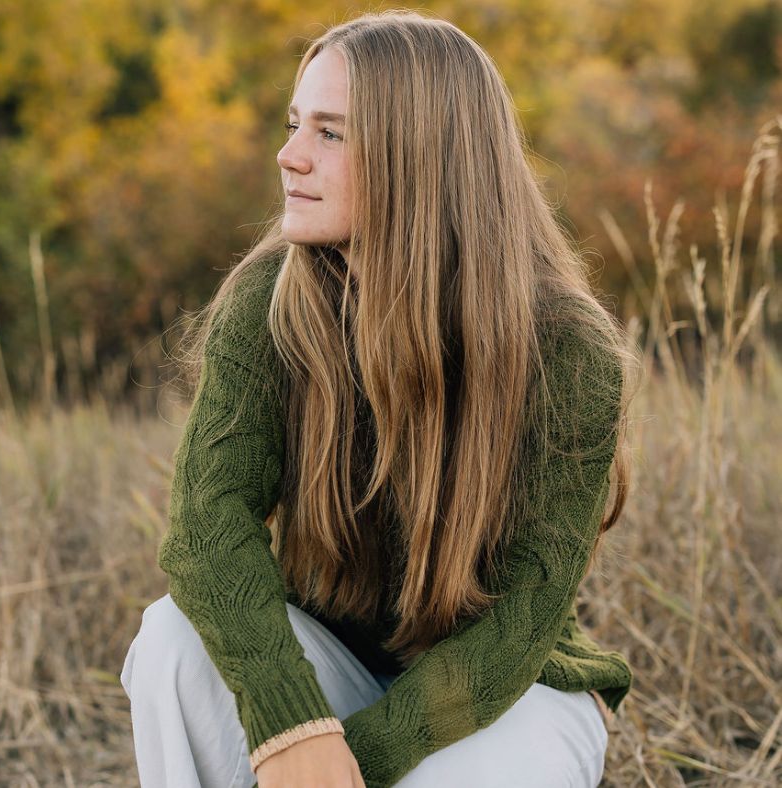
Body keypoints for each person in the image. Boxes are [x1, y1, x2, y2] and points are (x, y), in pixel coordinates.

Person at [120, 9, 641, 788]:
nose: (289, 155)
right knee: (170, 641)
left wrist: (347, 765)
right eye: (295, 124)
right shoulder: (270, 302)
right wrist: (290, 726)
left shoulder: (568, 349)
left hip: (512, 693)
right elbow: (207, 531)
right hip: (331, 666)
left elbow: (520, 623)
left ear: (422, 155)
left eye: (330, 133)